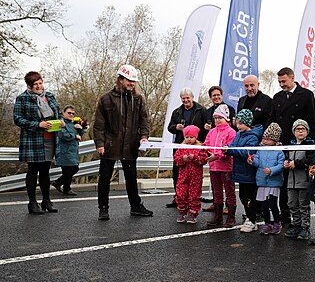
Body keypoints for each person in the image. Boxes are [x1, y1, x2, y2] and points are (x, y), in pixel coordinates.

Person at [93, 64, 153, 220]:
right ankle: (103, 208)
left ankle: (136, 206)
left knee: (131, 177)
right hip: (110, 144)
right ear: (120, 79)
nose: (131, 83)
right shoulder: (106, 99)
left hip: (130, 145)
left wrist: (144, 136)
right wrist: (99, 143)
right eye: (129, 80)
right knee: (105, 177)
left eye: (134, 81)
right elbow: (99, 124)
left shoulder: (138, 99)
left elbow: (143, 121)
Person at [268, 67, 315, 224]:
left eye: (284, 81)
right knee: (284, 180)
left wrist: (309, 143)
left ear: (292, 78)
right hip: (283, 144)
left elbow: (312, 119)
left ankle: (301, 217)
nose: (282, 84)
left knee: (299, 179)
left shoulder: (306, 95)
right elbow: (272, 120)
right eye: (279, 82)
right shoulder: (277, 97)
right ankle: (285, 213)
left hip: (300, 144)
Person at [13, 71, 63, 214]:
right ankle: (32, 203)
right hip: (33, 140)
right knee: (33, 171)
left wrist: (61, 122)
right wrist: (38, 125)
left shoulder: (50, 96)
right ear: (29, 85)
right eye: (35, 84)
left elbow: (58, 113)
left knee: (45, 171)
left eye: (40, 83)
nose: (39, 86)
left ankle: (46, 201)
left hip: (50, 138)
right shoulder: (22, 98)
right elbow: (18, 119)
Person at [166, 87, 208, 208]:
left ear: (192, 97)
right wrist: (176, 127)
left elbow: (206, 128)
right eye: (183, 99)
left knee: (194, 174)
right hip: (181, 145)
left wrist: (203, 145)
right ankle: (178, 197)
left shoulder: (201, 110)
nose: (185, 101)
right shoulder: (177, 111)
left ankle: (193, 199)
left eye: (187, 98)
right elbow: (170, 127)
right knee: (178, 172)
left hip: (196, 146)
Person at [224, 109, 263, 233]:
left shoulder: (253, 137)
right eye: (237, 123)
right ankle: (250, 218)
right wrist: (226, 148)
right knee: (242, 196)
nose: (238, 126)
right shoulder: (238, 134)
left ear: (247, 123)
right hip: (240, 172)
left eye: (241, 123)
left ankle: (252, 220)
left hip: (248, 173)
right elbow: (233, 146)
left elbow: (247, 152)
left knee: (249, 197)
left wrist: (231, 151)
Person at [204, 104, 237, 228]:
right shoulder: (212, 131)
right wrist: (204, 151)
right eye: (215, 118)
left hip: (226, 167)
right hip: (213, 167)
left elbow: (228, 150)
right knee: (217, 192)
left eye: (220, 118)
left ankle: (231, 217)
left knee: (229, 191)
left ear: (226, 118)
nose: (217, 120)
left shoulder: (231, 132)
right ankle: (217, 216)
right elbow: (206, 144)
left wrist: (216, 155)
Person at [249, 122, 285, 235]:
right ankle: (267, 223)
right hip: (262, 181)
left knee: (273, 204)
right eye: (264, 138)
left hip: (274, 182)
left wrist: (272, 170)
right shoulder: (260, 149)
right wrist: (251, 161)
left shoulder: (279, 151)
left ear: (275, 140)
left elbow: (281, 165)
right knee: (264, 205)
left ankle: (277, 222)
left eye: (268, 139)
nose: (265, 141)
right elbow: (257, 161)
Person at [283, 119, 315, 240]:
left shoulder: (310, 145)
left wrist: (297, 164)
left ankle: (305, 227)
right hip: (291, 181)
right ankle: (296, 224)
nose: (300, 131)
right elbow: (285, 158)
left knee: (303, 204)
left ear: (307, 131)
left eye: (303, 129)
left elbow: (310, 160)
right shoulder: (290, 145)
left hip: (304, 181)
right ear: (293, 131)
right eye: (298, 129)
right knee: (292, 203)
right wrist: (285, 163)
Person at [173, 125, 208, 224]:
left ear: (196, 137)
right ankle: (182, 212)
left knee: (194, 194)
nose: (189, 139)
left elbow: (204, 159)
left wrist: (195, 157)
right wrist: (182, 159)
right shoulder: (181, 148)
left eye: (191, 137)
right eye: (187, 137)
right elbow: (176, 159)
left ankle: (193, 214)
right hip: (183, 176)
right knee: (181, 193)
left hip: (196, 176)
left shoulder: (201, 147)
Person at [51, 106, 85, 196]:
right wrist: (75, 136)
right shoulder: (61, 123)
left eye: (73, 113)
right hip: (64, 150)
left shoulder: (73, 123)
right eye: (69, 113)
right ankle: (67, 188)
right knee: (68, 170)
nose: (71, 115)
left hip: (73, 150)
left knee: (74, 169)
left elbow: (80, 135)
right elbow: (63, 135)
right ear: (64, 113)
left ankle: (58, 183)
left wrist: (80, 128)